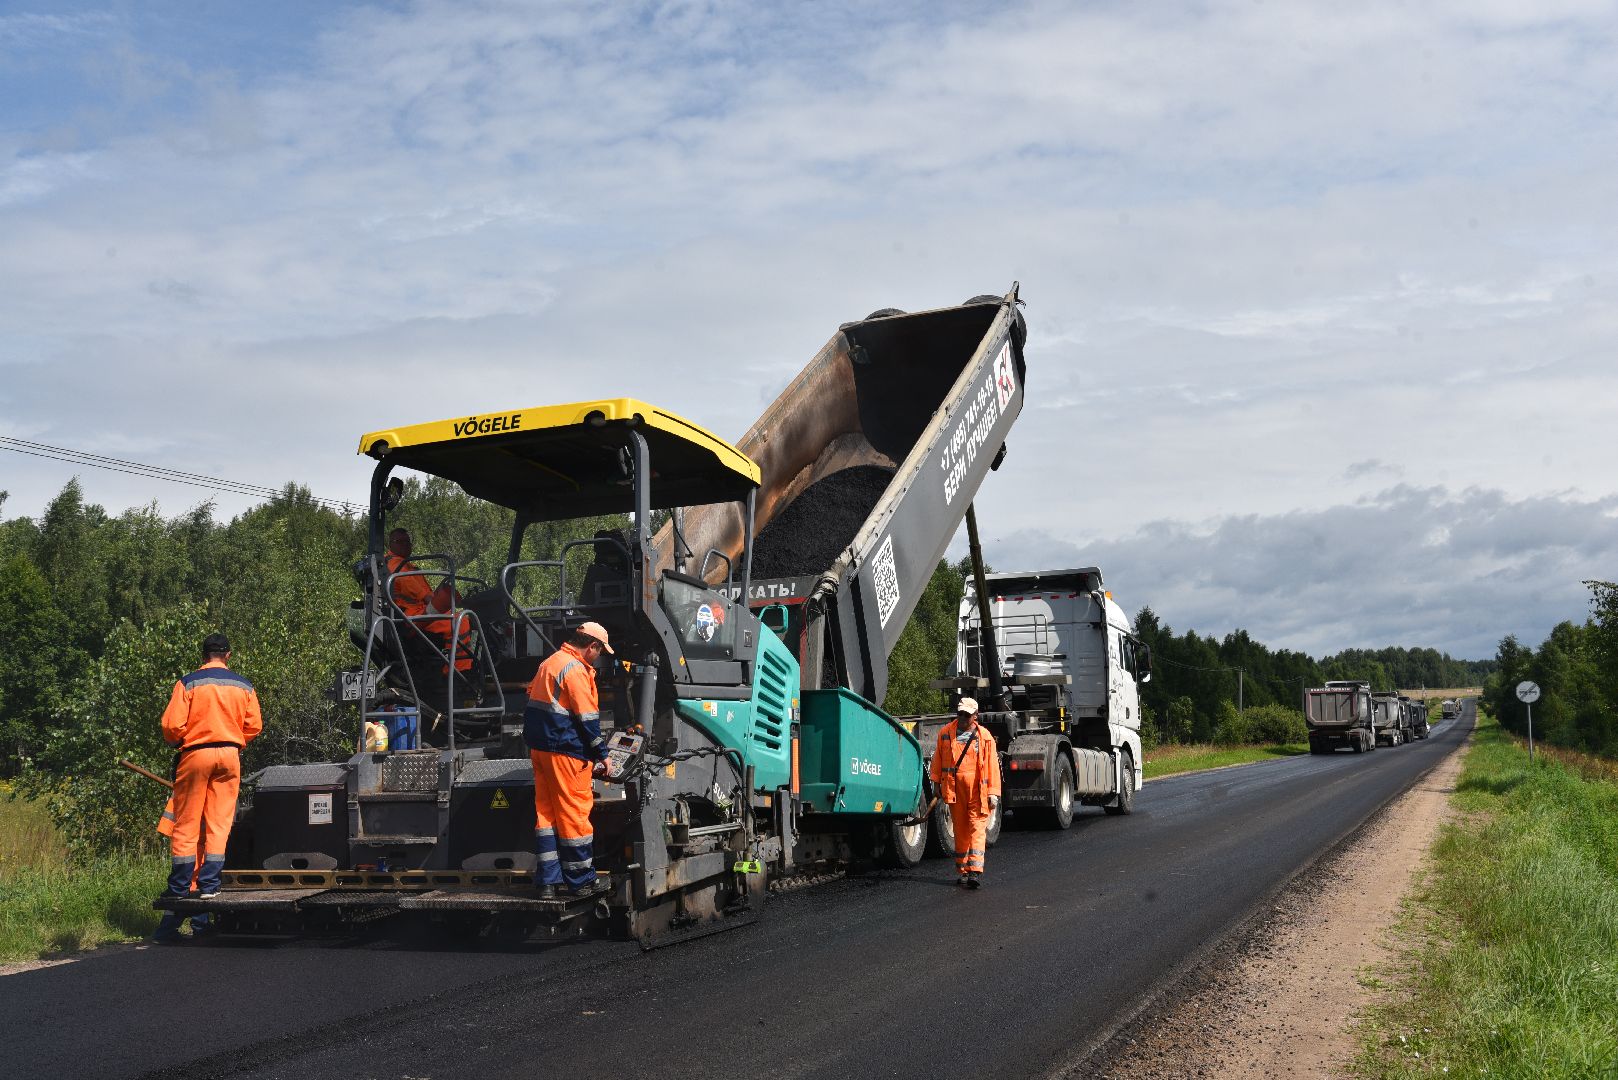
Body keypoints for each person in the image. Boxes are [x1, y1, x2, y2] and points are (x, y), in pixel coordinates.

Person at [152, 633, 263, 942]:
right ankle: (210, 886)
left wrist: (184, 740)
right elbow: (254, 726)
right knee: (219, 822)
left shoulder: (188, 683)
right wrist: (232, 738)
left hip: (196, 754)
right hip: (229, 756)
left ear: (203, 655)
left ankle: (179, 888)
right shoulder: (244, 686)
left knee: (187, 822)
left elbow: (171, 726)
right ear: (228, 655)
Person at [523, 622, 614, 899]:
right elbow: (587, 718)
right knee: (574, 814)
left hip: (540, 750)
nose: (599, 657)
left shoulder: (550, 662)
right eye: (600, 651)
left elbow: (532, 695)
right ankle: (581, 881)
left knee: (546, 815)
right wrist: (603, 755)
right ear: (592, 646)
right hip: (566, 752)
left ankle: (548, 884)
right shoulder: (574, 669)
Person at [928, 697, 1001, 890]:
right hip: (955, 789)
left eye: (966, 715)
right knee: (960, 830)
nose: (962, 717)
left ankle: (975, 870)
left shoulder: (985, 737)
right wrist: (936, 783)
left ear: (975, 716)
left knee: (977, 827)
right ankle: (963, 871)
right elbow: (937, 760)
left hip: (978, 791)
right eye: (960, 713)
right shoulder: (945, 733)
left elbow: (993, 766)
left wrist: (993, 792)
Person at [385, 528, 434, 618]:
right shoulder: (394, 564)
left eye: (407, 541)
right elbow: (425, 597)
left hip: (422, 611)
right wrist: (434, 602)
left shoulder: (409, 565)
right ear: (390, 544)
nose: (405, 544)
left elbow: (428, 595)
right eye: (399, 541)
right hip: (410, 615)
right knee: (458, 622)